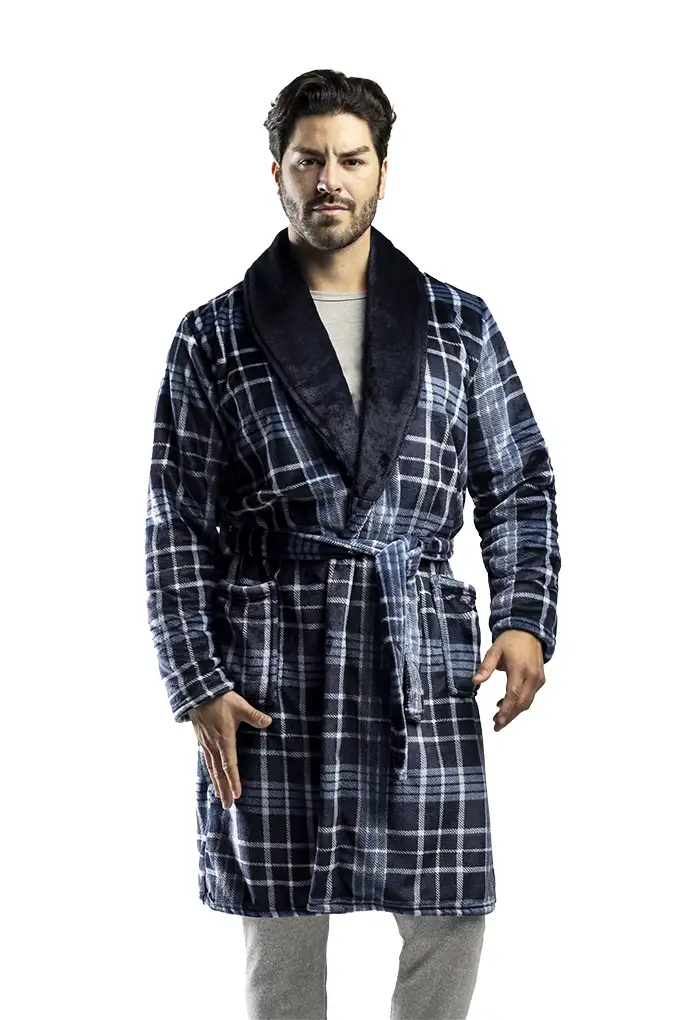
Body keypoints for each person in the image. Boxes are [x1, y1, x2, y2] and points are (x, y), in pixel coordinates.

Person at [145, 68, 561, 1020]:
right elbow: (177, 520)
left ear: (381, 171)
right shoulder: (214, 336)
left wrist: (524, 617)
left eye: (351, 159)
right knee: (280, 922)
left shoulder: (458, 324)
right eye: (309, 160)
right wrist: (197, 680)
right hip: (271, 655)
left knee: (449, 911)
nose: (329, 178)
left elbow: (517, 481)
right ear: (278, 173)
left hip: (416, 642)